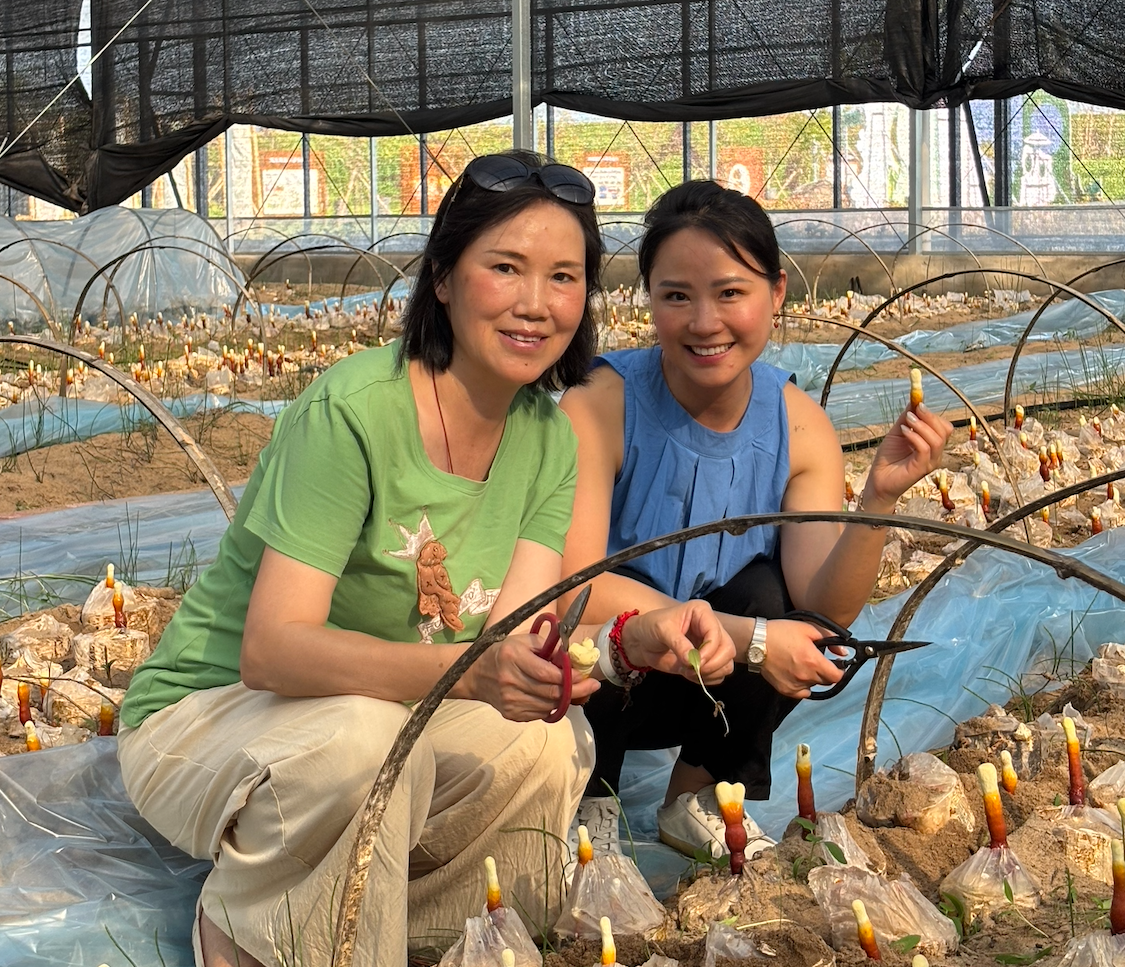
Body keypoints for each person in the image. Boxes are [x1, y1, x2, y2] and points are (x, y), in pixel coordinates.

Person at [116, 152, 723, 967]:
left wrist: (626, 647)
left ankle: (419, 935)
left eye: (564, 277)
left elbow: (520, 635)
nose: (536, 305)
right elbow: (273, 649)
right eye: (504, 268)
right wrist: (472, 674)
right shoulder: (356, 413)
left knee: (544, 739)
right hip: (213, 716)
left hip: (382, 712)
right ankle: (255, 936)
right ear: (442, 276)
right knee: (364, 741)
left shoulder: (547, 437)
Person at [559, 180, 953, 860]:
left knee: (787, 605)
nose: (704, 321)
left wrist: (879, 502)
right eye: (676, 295)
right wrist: (755, 639)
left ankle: (699, 792)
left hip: (704, 675)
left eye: (730, 293)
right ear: (647, 298)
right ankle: (589, 792)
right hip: (598, 681)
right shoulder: (599, 405)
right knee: (595, 625)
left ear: (775, 293)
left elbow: (823, 606)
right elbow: (573, 587)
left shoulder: (798, 426)